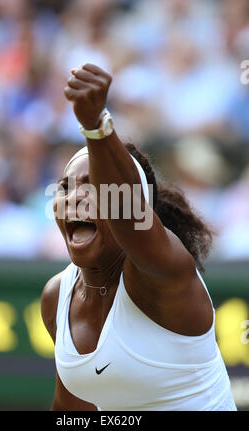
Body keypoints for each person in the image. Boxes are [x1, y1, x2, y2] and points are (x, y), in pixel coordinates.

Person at [41, 63, 237, 411]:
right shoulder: (58, 296)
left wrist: (96, 127)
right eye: (65, 187)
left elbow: (126, 212)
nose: (73, 197)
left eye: (93, 187)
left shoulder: (163, 273)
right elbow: (75, 407)